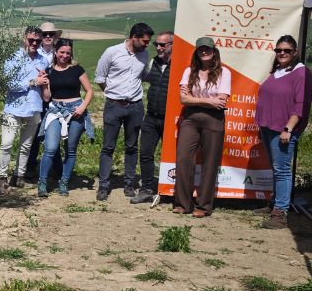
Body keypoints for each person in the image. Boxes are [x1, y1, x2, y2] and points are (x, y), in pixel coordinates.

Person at [255, 35, 312, 229]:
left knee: (282, 170)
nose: (282, 53)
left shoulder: (301, 72)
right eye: (279, 50)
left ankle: (280, 213)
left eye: (287, 50)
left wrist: (288, 128)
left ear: (295, 52)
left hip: (283, 128)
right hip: (268, 126)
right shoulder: (279, 70)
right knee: (276, 168)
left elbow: (301, 103)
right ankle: (275, 202)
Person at [94, 22, 154, 201]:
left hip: (135, 106)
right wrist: (112, 94)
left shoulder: (145, 54)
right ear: (134, 37)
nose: (147, 45)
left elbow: (143, 76)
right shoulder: (112, 52)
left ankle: (129, 183)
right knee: (108, 146)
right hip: (114, 105)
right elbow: (100, 77)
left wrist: (161, 70)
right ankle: (103, 185)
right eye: (145, 41)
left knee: (132, 146)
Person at [173, 37, 231, 217]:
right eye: (200, 50)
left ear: (214, 51)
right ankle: (183, 204)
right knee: (183, 159)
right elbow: (183, 99)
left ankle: (203, 206)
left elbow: (221, 101)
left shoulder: (224, 72)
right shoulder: (189, 71)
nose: (204, 52)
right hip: (190, 117)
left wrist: (200, 100)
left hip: (214, 119)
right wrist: (210, 101)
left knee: (210, 162)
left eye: (207, 49)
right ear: (196, 52)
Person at [37, 39, 94, 197]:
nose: (65, 55)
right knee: (50, 148)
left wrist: (82, 107)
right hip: (55, 111)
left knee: (71, 150)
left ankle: (64, 181)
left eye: (68, 53)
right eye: (62, 52)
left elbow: (89, 91)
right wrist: (46, 82)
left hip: (76, 110)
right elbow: (46, 98)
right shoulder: (49, 71)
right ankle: (42, 181)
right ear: (55, 52)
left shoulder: (77, 70)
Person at [0, 27, 48, 196]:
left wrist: (43, 82)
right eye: (31, 40)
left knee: (26, 146)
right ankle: (2, 178)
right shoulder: (13, 58)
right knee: (6, 144)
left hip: (34, 107)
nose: (34, 43)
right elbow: (8, 84)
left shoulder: (43, 61)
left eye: (37, 41)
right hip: (14, 107)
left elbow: (44, 83)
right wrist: (33, 82)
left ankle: (19, 175)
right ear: (24, 39)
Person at [133, 31, 173, 204]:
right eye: (157, 44)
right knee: (146, 153)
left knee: (171, 155)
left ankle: (171, 189)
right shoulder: (153, 62)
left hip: (170, 117)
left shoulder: (181, 65)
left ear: (173, 45)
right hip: (151, 115)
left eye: (163, 45)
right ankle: (147, 188)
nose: (158, 48)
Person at [25, 22, 64, 181]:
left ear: (55, 37)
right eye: (45, 35)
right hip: (36, 99)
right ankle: (30, 167)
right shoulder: (34, 52)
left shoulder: (61, 53)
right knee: (33, 135)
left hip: (55, 99)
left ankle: (57, 168)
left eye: (51, 34)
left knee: (54, 134)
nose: (48, 37)